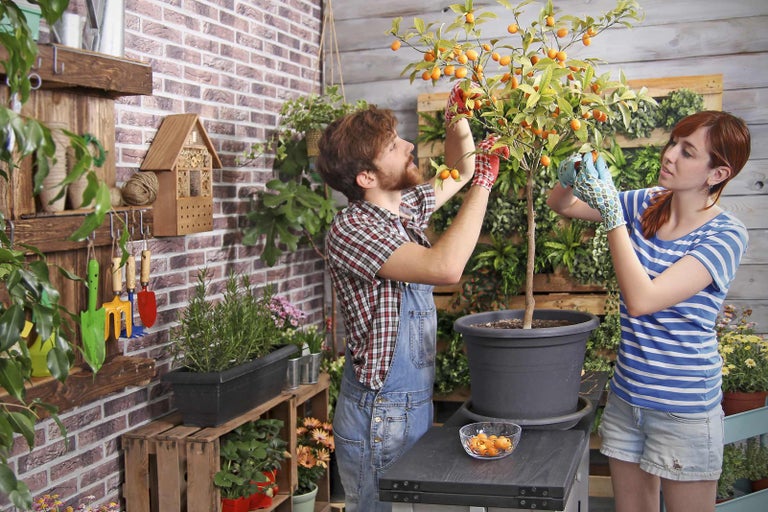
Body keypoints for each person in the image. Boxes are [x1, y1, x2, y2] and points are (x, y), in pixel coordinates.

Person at [315, 82, 507, 512]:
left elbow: (458, 171)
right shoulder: (353, 229)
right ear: (366, 177)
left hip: (410, 405)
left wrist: (456, 116)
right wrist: (487, 183)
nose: (409, 146)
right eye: (393, 144)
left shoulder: (403, 210)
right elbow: (445, 267)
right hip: (380, 413)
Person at [547, 110, 751, 512]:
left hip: (683, 410)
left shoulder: (725, 235)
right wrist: (567, 174)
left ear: (717, 174)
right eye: (673, 142)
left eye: (687, 151)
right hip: (627, 398)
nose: (670, 154)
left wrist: (611, 216)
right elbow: (563, 205)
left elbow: (642, 300)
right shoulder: (645, 202)